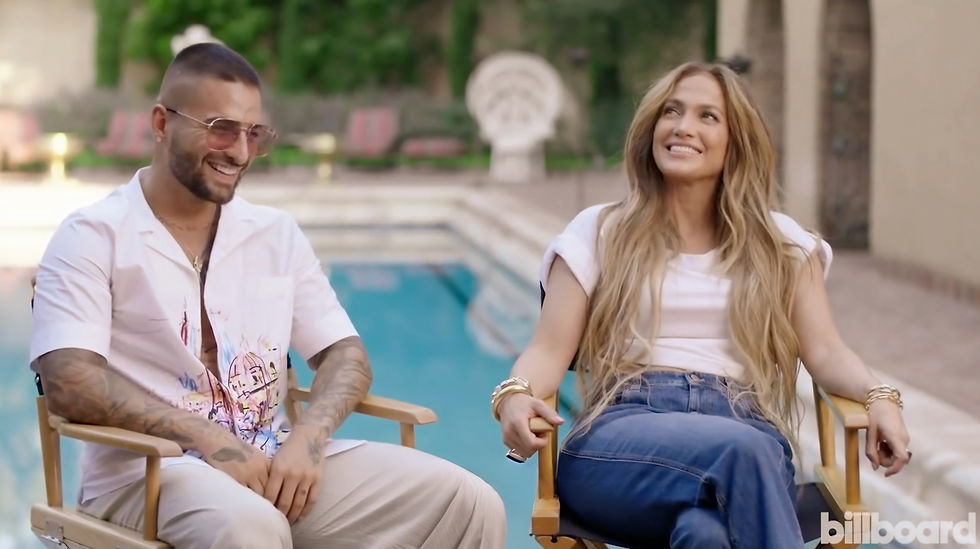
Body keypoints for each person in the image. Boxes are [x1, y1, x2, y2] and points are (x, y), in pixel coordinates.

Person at [30, 43, 505, 549]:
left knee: (468, 503)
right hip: (147, 472)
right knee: (249, 528)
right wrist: (208, 438)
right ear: (162, 123)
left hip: (274, 460)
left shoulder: (274, 233)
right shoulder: (92, 236)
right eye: (220, 127)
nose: (239, 151)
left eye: (253, 133)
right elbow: (69, 381)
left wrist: (309, 439)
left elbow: (346, 355)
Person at [492, 62, 910, 548]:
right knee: (745, 453)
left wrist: (881, 396)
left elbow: (826, 351)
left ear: (737, 141)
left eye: (707, 116)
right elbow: (547, 351)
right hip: (623, 438)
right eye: (672, 111)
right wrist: (515, 395)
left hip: (741, 422)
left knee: (705, 534)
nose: (683, 126)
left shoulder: (782, 244)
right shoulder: (598, 231)